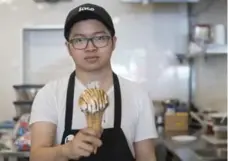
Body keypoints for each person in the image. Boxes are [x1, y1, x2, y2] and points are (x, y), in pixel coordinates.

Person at [29, 3, 158, 161]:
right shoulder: (49, 94)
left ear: (113, 42)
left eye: (99, 38)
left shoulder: (138, 96)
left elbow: (147, 157)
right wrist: (66, 151)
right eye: (79, 40)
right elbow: (36, 156)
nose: (90, 47)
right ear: (69, 48)